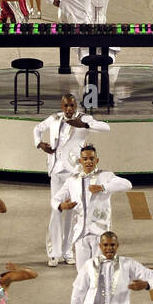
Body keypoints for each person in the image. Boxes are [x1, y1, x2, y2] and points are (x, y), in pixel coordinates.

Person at [34, 93, 111, 266]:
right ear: (62, 107)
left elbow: (106, 127)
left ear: (76, 106)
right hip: (56, 171)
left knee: (72, 213)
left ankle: (68, 251)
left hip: (74, 173)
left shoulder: (84, 118)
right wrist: (40, 144)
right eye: (66, 106)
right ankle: (54, 253)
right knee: (56, 210)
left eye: (72, 106)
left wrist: (84, 124)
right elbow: (37, 129)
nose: (69, 109)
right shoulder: (54, 118)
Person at [54, 144, 132, 272]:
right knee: (82, 273)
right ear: (80, 161)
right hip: (80, 233)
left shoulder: (106, 176)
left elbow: (127, 184)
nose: (89, 162)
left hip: (100, 233)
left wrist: (103, 187)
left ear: (97, 160)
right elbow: (56, 199)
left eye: (92, 158)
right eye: (85, 159)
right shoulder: (72, 180)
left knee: (99, 272)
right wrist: (60, 205)